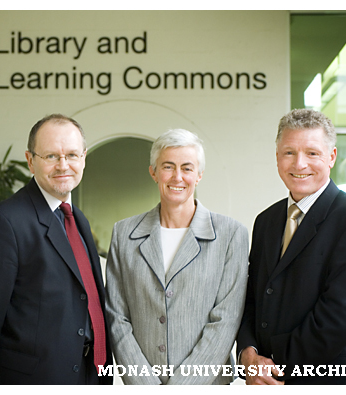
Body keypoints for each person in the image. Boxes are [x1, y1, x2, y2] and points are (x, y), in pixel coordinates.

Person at [0, 114, 112, 385]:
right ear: (30, 160)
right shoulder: (4, 222)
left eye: (72, 155)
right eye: (51, 156)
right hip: (33, 381)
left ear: (84, 158)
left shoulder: (78, 220)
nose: (63, 165)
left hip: (88, 374)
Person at [236, 109, 346, 385]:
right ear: (277, 157)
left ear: (332, 157)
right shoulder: (266, 221)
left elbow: (342, 318)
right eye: (289, 152)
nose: (299, 163)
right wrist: (248, 354)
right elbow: (253, 298)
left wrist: (273, 365)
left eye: (312, 153)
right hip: (264, 382)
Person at [105, 129, 249, 385]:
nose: (177, 177)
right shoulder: (124, 233)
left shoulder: (231, 234)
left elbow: (226, 321)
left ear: (200, 175)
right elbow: (117, 317)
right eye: (168, 167)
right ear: (153, 172)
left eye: (187, 168)